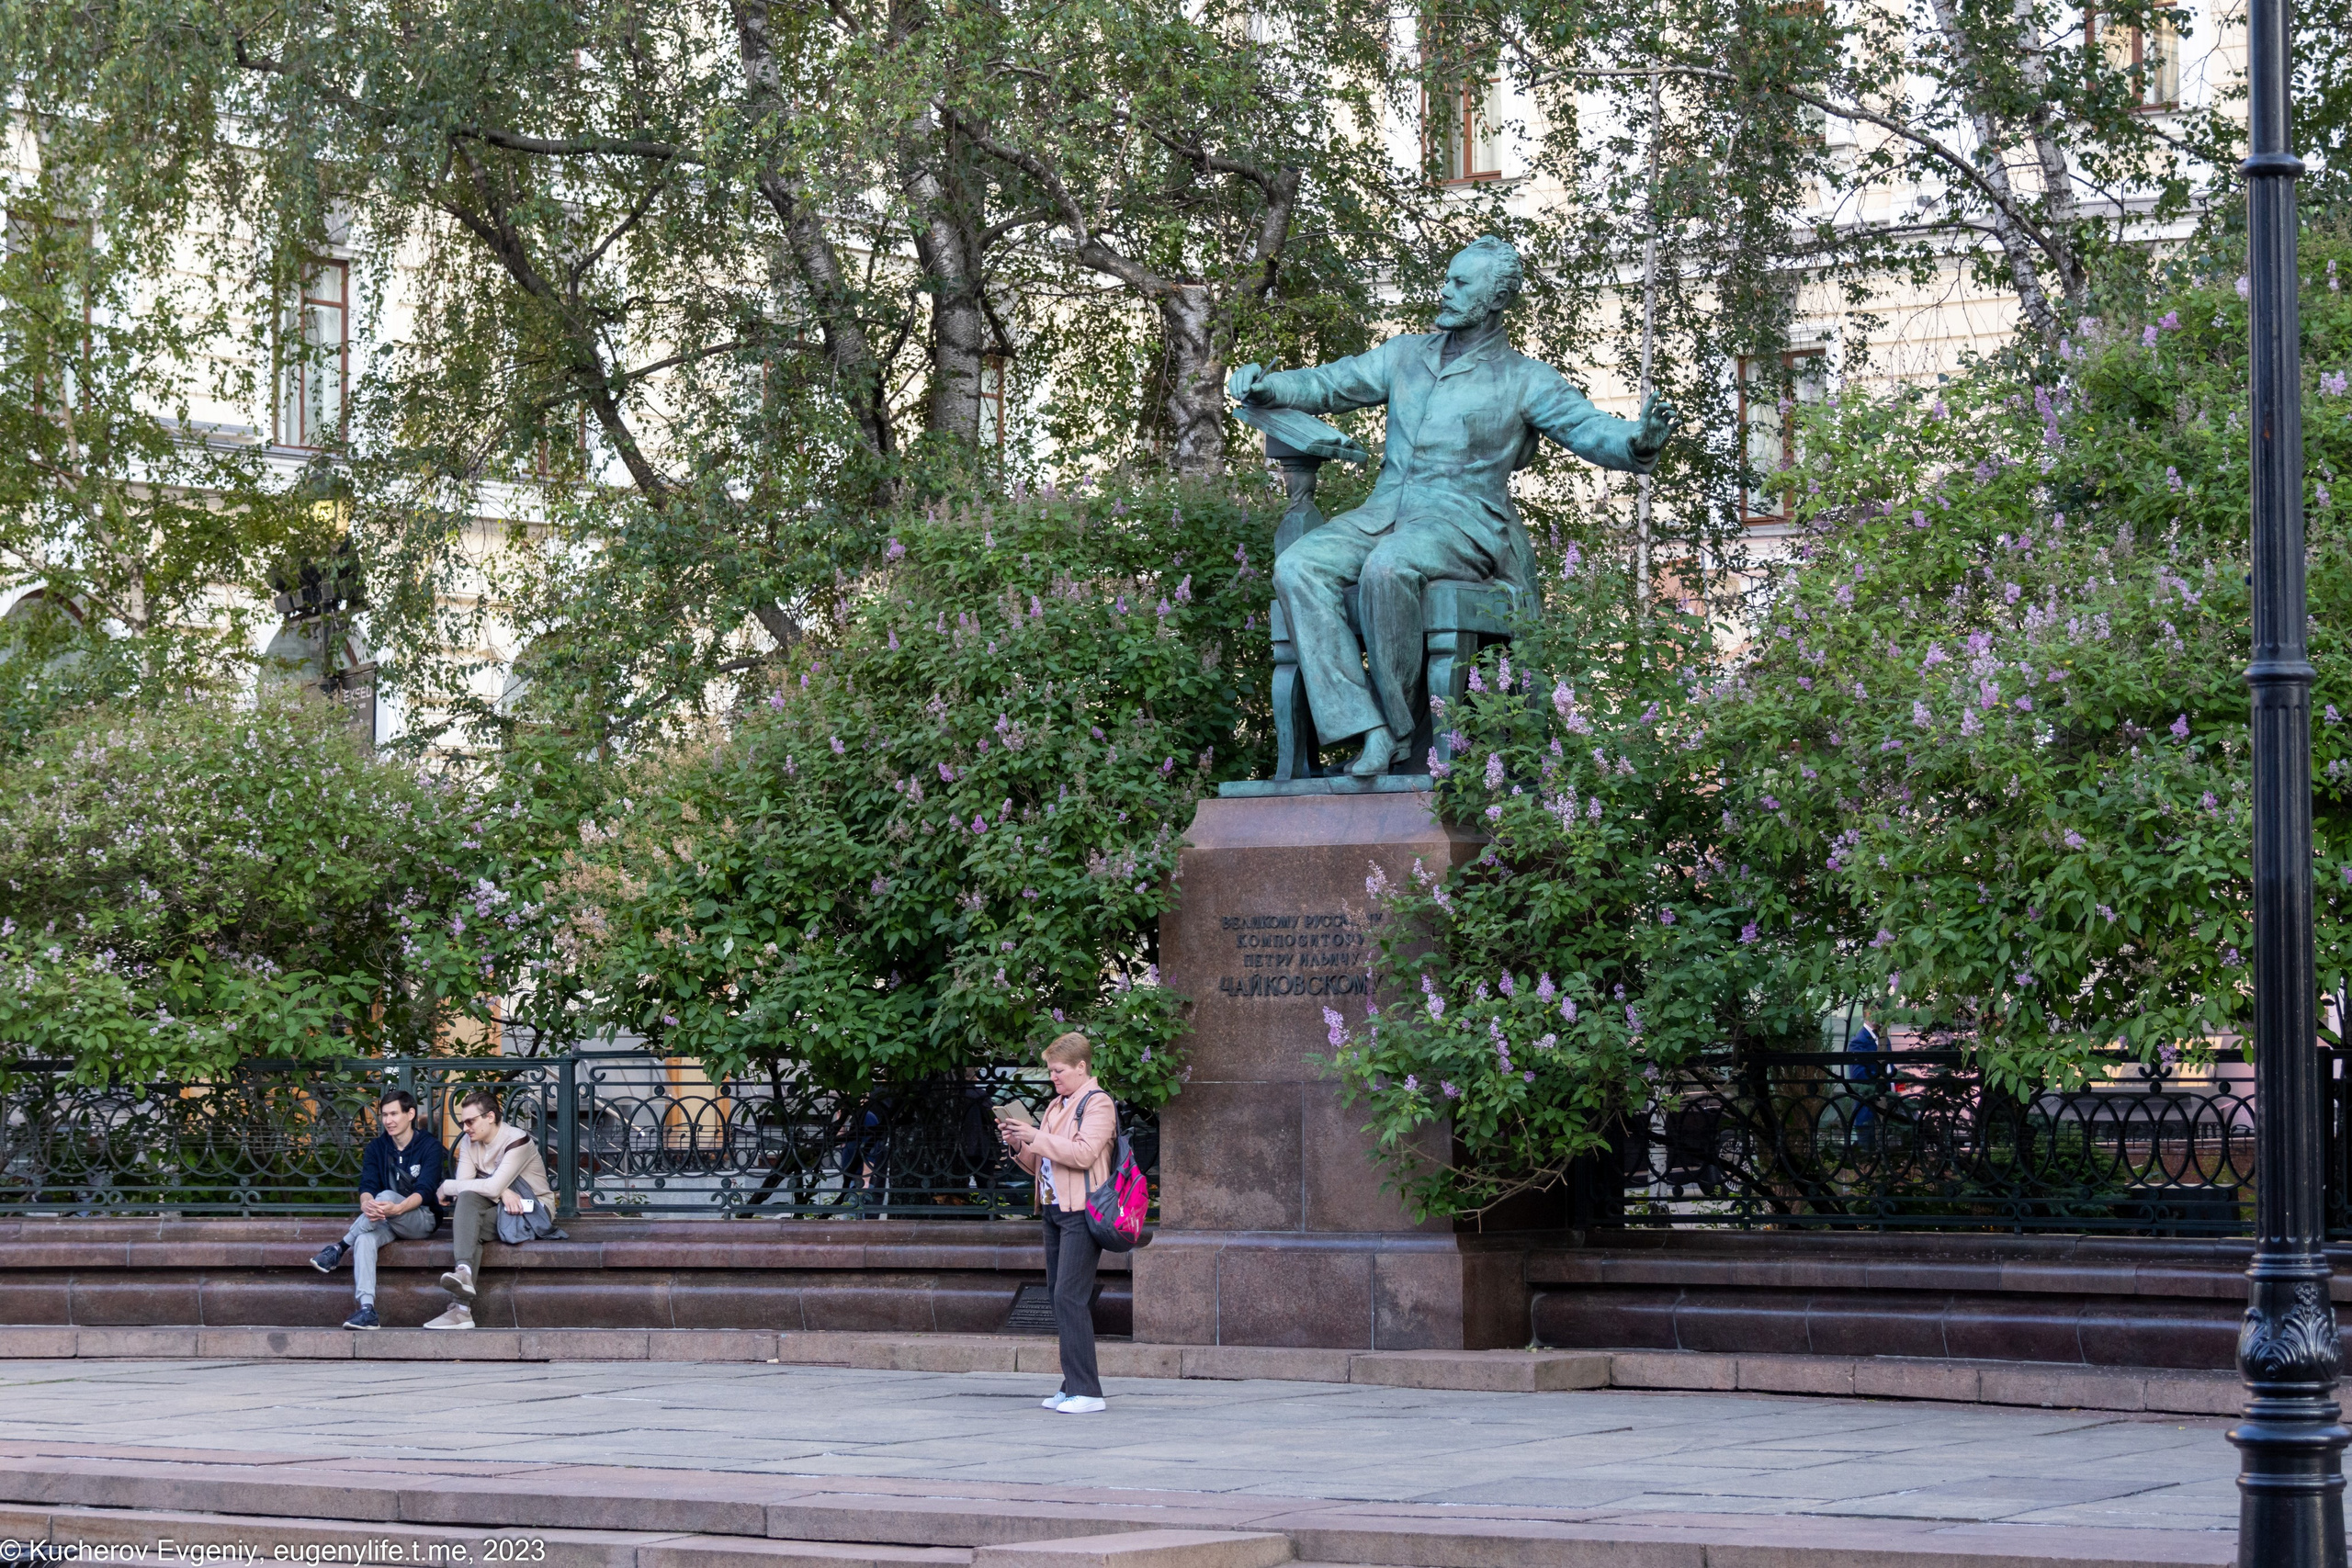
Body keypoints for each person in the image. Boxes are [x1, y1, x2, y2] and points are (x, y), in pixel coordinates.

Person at [1228, 235, 1679, 776]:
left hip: (1463, 524)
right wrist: (1265, 384)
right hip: (1383, 513)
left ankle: (1397, 737)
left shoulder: (1524, 379)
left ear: (1495, 299)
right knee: (1297, 565)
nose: (1443, 291)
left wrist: (1640, 440)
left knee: (1389, 567)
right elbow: (1330, 383)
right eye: (1446, 279)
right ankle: (1364, 726)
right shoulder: (1403, 356)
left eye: (1460, 283)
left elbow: (1588, 428)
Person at [999, 1032, 1118, 1414]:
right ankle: (1072, 1387)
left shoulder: (1098, 1104)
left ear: (1082, 1067)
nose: (1053, 1077)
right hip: (1052, 1208)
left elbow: (1083, 1155)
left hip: (1083, 1211)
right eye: (1051, 1071)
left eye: (1059, 1070)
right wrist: (1020, 1142)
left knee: (1069, 1296)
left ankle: (1088, 1392)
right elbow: (1043, 1163)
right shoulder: (1056, 1105)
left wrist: (1036, 1135)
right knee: (1059, 1296)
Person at [312, 1088, 448, 1330]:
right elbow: (367, 1186)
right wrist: (367, 1204)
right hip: (384, 1219)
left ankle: (340, 1246)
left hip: (421, 1219)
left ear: (410, 1114)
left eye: (394, 1114)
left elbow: (426, 1190)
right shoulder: (377, 1147)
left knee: (384, 1196)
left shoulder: (430, 1146)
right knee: (364, 1239)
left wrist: (396, 1208)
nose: (388, 1121)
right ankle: (367, 1310)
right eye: (385, 1115)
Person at [424, 1087, 559, 1330]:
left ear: (490, 1117)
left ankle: (460, 1310)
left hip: (532, 1209)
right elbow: (467, 1189)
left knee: (469, 1225)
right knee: (467, 1203)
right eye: (464, 1123)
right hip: (499, 1205)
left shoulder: (517, 1140)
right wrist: (502, 1190)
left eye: (470, 1121)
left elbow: (470, 1185)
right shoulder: (469, 1141)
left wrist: (449, 1185)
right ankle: (463, 1273)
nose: (466, 1128)